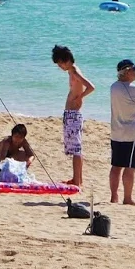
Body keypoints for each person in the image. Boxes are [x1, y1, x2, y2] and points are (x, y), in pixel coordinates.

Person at [109, 59, 135, 206]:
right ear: (126, 71)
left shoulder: (113, 87)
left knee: (116, 166)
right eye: (134, 70)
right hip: (132, 134)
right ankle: (127, 198)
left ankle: (114, 196)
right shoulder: (134, 89)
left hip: (116, 132)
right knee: (129, 168)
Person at [52, 44, 95, 189]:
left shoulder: (74, 71)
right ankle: (77, 179)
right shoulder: (72, 72)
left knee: (76, 149)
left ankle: (77, 181)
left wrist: (80, 98)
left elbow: (91, 86)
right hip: (71, 114)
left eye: (59, 64)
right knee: (75, 148)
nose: (59, 67)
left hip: (73, 114)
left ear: (65, 60)